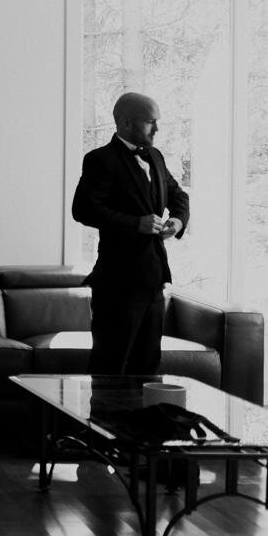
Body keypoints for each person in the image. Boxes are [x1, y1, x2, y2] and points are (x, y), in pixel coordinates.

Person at [72, 92, 190, 379]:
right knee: (109, 366)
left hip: (153, 280)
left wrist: (176, 219)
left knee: (148, 367)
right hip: (116, 283)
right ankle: (100, 424)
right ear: (125, 122)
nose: (157, 129)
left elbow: (178, 195)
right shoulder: (100, 160)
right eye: (151, 122)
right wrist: (134, 223)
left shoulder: (156, 157)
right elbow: (84, 209)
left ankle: (144, 425)